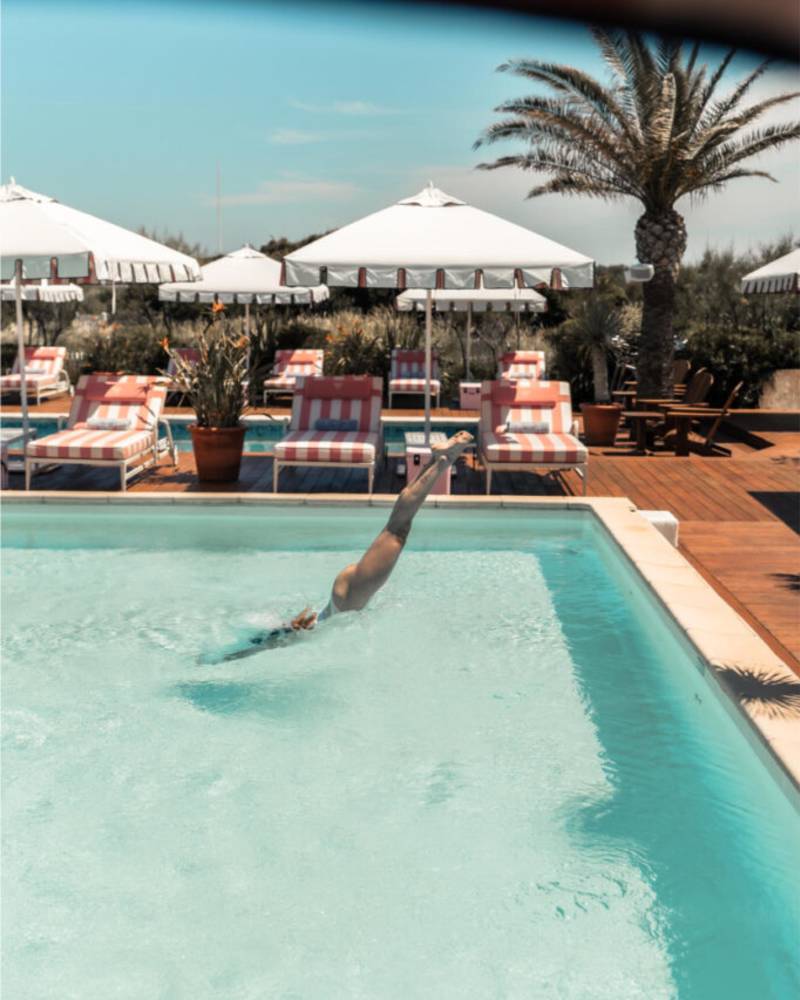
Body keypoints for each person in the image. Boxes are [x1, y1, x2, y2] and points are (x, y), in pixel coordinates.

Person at [206, 431, 473, 662]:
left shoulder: (303, 633)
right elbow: (266, 642)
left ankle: (441, 461)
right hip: (344, 596)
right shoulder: (305, 626)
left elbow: (264, 647)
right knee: (397, 527)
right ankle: (437, 460)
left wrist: (225, 660)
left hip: (348, 600)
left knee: (397, 529)